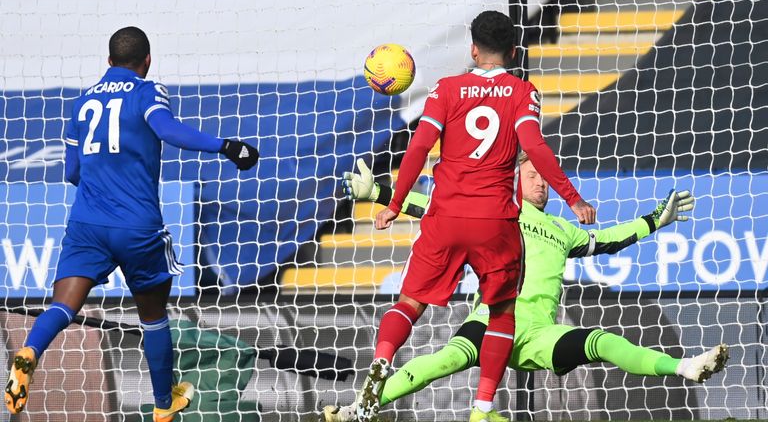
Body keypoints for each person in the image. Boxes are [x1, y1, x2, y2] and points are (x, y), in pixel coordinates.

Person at [322, 155, 728, 422]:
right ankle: (358, 409)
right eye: (531, 175)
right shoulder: (499, 210)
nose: (541, 183)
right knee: (441, 361)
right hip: (493, 317)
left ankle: (685, 367)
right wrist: (377, 193)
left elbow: (607, 239)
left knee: (603, 341)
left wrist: (656, 220)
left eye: (545, 178)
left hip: (537, 333)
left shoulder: (561, 228)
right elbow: (433, 207)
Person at [4, 27, 259, 422]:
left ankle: (30, 352)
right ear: (147, 62)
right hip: (137, 225)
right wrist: (226, 146)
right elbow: (168, 130)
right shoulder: (147, 91)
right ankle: (162, 405)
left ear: (108, 62)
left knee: (63, 305)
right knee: (153, 317)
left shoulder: (83, 101)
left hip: (87, 223)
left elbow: (72, 171)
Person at [355, 10, 597, 422]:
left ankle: (380, 363)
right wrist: (573, 199)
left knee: (410, 302)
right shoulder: (523, 91)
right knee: (502, 311)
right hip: (495, 221)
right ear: (514, 51)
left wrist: (394, 205)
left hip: (445, 215)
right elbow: (535, 149)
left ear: (472, 49)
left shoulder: (446, 88)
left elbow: (418, 149)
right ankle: (483, 409)